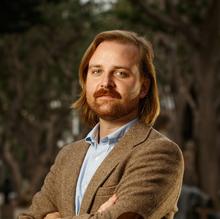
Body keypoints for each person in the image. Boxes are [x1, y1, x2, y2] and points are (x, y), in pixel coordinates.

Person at [19, 30, 184, 219]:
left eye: (121, 73)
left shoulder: (159, 152)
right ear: (86, 80)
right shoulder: (68, 155)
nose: (106, 83)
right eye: (97, 71)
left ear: (143, 87)